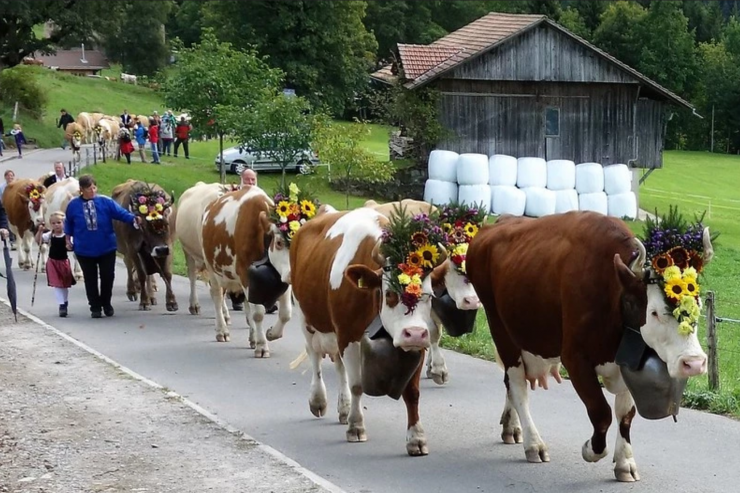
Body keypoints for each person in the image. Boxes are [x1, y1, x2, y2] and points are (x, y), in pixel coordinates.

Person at [64, 174, 141, 318]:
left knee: (108, 277)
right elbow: (68, 223)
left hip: (106, 247)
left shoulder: (106, 202)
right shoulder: (73, 205)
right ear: (81, 189)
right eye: (88, 188)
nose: (92, 190)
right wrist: (68, 239)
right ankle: (95, 307)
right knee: (90, 279)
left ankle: (106, 303)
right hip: (84, 249)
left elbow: (121, 213)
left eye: (94, 187)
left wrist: (133, 219)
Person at [35, 211, 75, 317]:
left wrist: (69, 246)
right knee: (57, 285)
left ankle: (65, 301)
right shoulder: (50, 235)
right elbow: (38, 241)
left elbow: (72, 246)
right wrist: (39, 231)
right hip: (52, 262)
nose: (56, 225)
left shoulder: (67, 236)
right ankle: (61, 305)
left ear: (64, 223)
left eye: (59, 222)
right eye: (53, 223)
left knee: (64, 285)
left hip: (63, 262)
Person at [0, 170, 16, 250]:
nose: (10, 177)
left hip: (15, 207)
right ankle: (12, 241)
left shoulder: (17, 185)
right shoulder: (2, 187)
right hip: (5, 207)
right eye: (8, 176)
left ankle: (16, 239)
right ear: (5, 177)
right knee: (8, 223)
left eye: (11, 175)